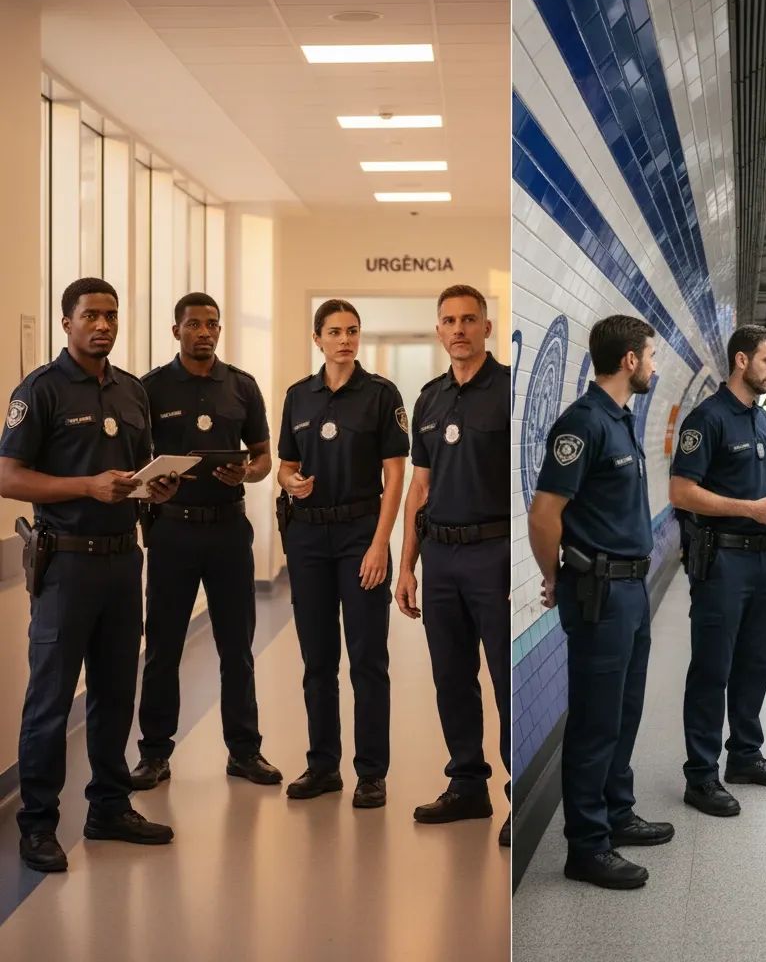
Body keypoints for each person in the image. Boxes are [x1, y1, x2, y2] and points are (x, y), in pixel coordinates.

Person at [0, 277, 177, 873]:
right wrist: (87, 486)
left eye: (111, 316)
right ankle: (38, 825)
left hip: (122, 561)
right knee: (50, 699)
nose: (102, 325)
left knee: (114, 692)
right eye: (90, 316)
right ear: (66, 323)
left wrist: (156, 485)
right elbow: (8, 476)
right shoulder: (40, 390)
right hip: (66, 564)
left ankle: (109, 806)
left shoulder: (131, 391)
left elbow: (134, 471)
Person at [529, 315, 673, 891]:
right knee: (594, 721)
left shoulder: (622, 420)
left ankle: (616, 812)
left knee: (624, 710)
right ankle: (586, 847)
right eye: (652, 355)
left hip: (630, 588)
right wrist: (554, 574)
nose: (656, 365)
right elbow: (544, 513)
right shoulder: (582, 423)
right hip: (599, 591)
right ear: (630, 361)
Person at [129, 292, 281, 791]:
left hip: (228, 530)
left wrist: (247, 473)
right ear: (176, 331)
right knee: (164, 647)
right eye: (194, 324)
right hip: (171, 529)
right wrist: (150, 485)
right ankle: (154, 754)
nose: (204, 332)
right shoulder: (149, 389)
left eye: (212, 324)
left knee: (236, 646)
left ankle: (244, 751)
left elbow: (263, 458)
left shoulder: (241, 387)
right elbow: (135, 462)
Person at [277, 299, 408, 805]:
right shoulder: (298, 397)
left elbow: (394, 474)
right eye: (334, 332)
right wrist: (291, 483)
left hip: (360, 534)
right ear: (318, 339)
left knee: (368, 659)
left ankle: (371, 772)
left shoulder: (380, 395)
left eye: (352, 331)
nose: (345, 340)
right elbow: (287, 464)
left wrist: (381, 543)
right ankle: (322, 765)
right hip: (308, 538)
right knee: (317, 660)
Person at [396, 284, 511, 847]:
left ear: (487, 328)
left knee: (506, 678)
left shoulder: (508, 391)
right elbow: (420, 486)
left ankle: (520, 792)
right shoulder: (428, 399)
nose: (459, 329)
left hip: (496, 554)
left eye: (469, 319)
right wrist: (406, 566)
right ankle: (468, 784)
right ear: (438, 331)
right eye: (449, 320)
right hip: (439, 555)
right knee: (451, 677)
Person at [669, 324, 766, 818]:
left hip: (763, 559)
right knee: (712, 668)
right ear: (741, 361)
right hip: (722, 560)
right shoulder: (708, 419)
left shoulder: (761, 419)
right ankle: (701, 776)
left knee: (755, 662)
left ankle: (745, 755)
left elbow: (757, 482)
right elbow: (681, 492)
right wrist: (749, 508)